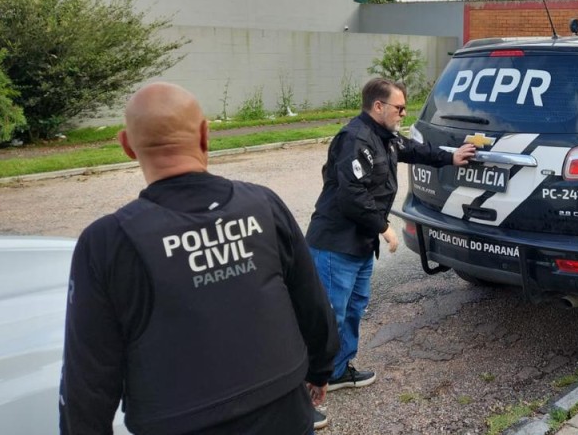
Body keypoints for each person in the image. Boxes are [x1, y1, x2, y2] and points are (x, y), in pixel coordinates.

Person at [59, 82, 339, 434]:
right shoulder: (263, 205)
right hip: (283, 413)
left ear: (127, 145)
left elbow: (87, 378)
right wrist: (320, 369)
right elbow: (312, 301)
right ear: (205, 135)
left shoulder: (108, 242)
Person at [306, 77, 475, 392]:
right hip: (335, 245)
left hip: (359, 244)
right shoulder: (355, 139)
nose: (403, 113)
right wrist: (384, 228)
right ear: (378, 106)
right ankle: (310, 383)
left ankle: (337, 372)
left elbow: (415, 150)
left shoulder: (385, 137)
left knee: (354, 309)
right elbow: (351, 195)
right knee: (330, 316)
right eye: (399, 108)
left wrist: (450, 157)